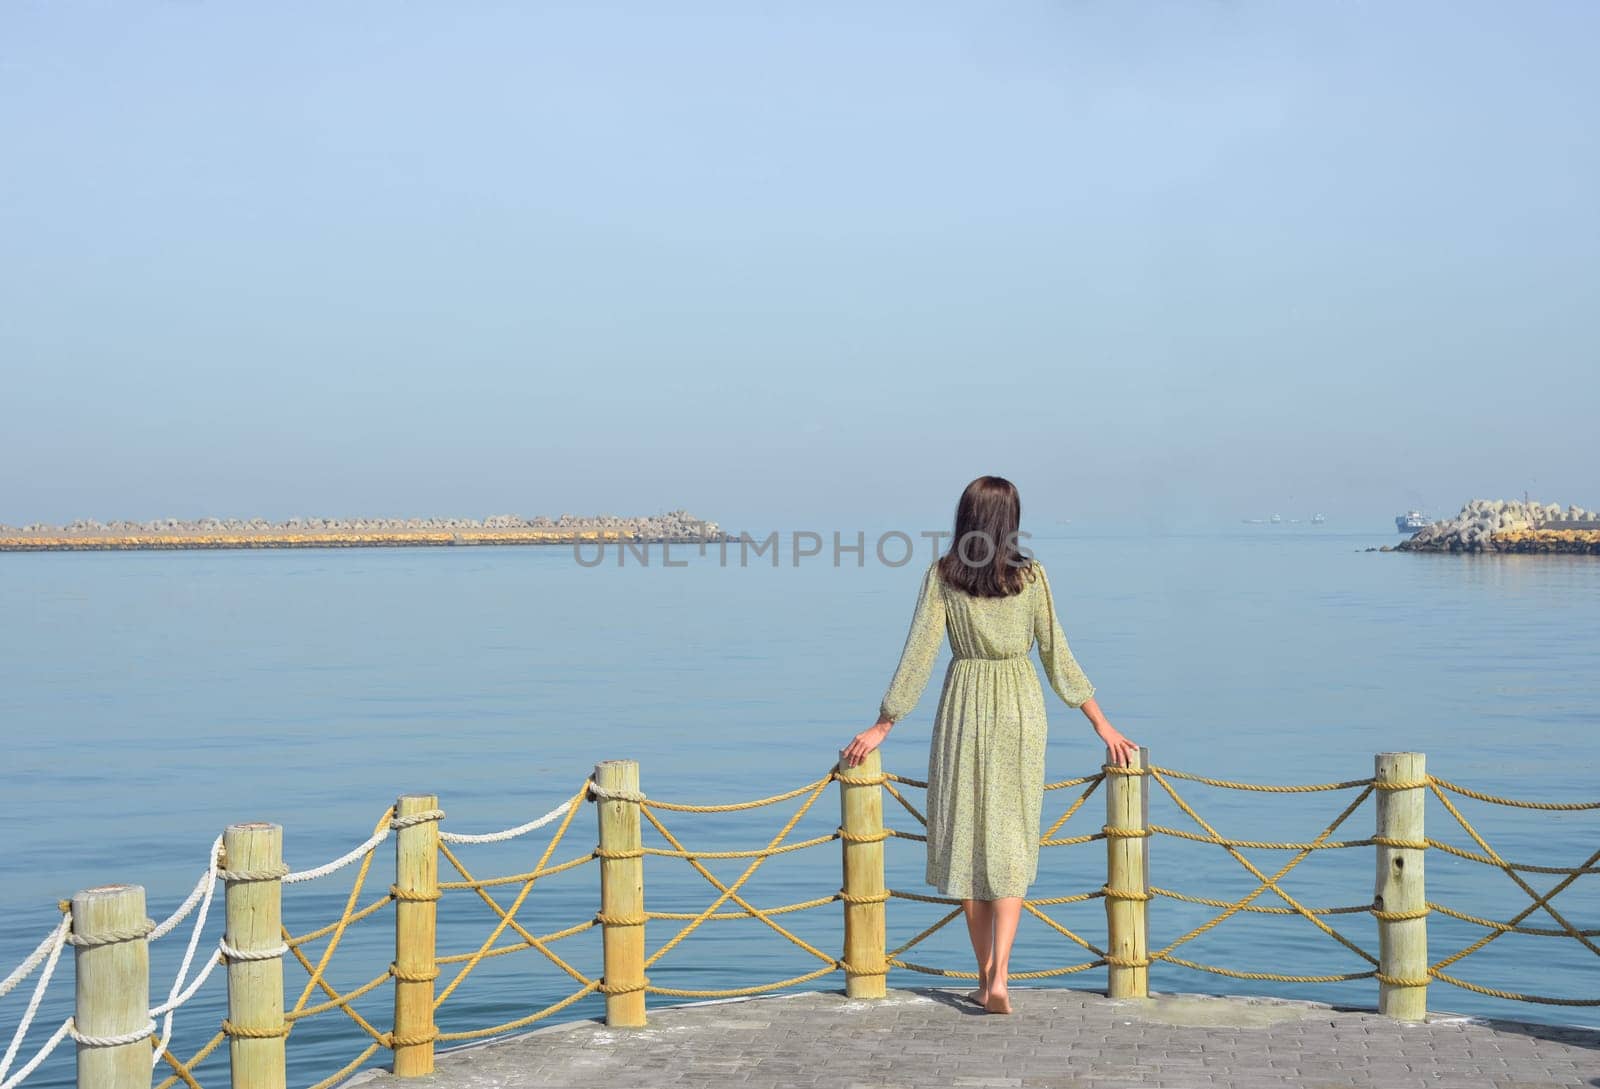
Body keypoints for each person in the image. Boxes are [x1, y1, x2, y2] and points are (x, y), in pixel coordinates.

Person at [842, 475, 1138, 1015]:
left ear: (965, 516)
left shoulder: (943, 577)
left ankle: (983, 976)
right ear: (1012, 519)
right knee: (1011, 837)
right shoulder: (1031, 576)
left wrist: (884, 724)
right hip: (1021, 708)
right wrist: (1103, 725)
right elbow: (1057, 655)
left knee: (966, 840)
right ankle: (1001, 974)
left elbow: (918, 657)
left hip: (965, 703)